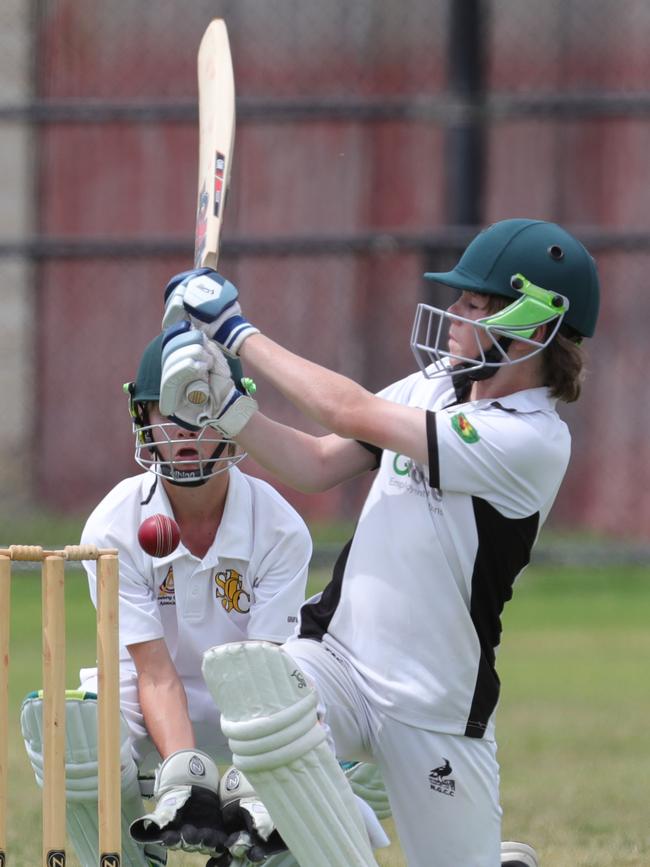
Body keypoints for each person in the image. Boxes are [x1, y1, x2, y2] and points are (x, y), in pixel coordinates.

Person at [157, 218, 600, 867]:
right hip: (337, 656)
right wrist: (222, 403)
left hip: (433, 702)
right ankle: (335, 816)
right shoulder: (433, 386)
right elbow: (314, 461)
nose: (453, 312)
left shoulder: (533, 439)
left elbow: (348, 411)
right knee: (259, 698)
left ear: (533, 327)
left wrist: (237, 333)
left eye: (474, 303)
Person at [20, 330, 314, 867]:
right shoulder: (114, 524)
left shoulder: (279, 529)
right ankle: (132, 860)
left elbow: (264, 673)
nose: (183, 429)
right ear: (143, 419)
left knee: (335, 751)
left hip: (251, 701)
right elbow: (152, 671)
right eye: (167, 411)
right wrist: (187, 772)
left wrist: (255, 776)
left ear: (234, 416)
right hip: (145, 697)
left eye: (199, 410)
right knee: (67, 732)